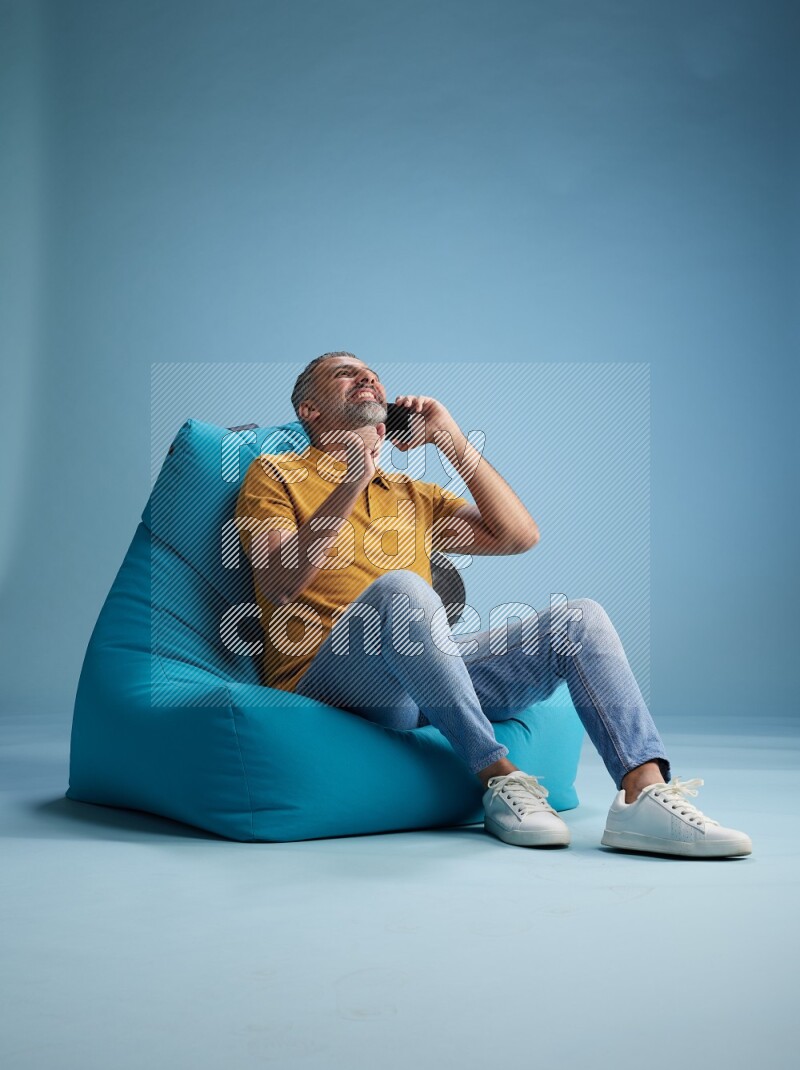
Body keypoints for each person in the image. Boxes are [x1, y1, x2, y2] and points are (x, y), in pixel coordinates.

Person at [235, 351, 752, 859]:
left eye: (372, 373)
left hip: (424, 678)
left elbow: (517, 535)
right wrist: (351, 481)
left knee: (580, 618)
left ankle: (643, 793)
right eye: (346, 373)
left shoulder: (411, 493)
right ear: (310, 411)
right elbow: (281, 581)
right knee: (403, 590)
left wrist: (451, 440)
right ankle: (500, 779)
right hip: (330, 677)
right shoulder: (274, 473)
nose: (367, 376)